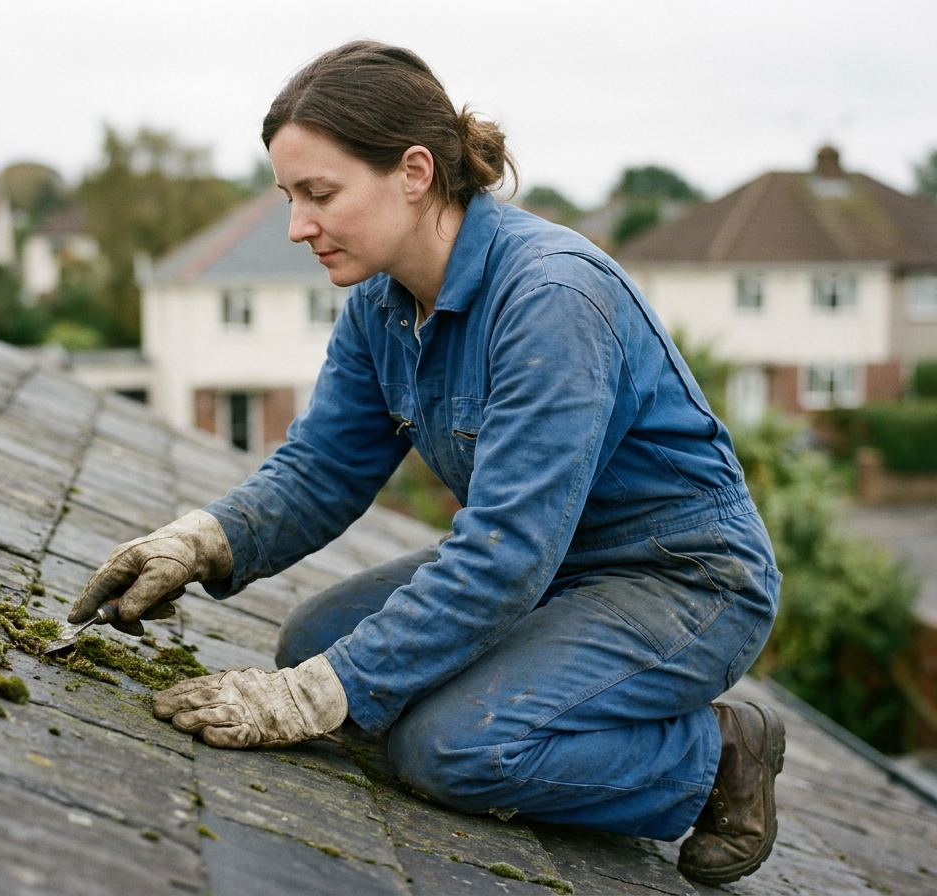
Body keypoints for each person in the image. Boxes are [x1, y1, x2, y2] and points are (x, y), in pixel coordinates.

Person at [68, 40, 784, 886]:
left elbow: (507, 553)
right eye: (290, 197)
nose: (298, 226)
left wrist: (316, 697)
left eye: (320, 194)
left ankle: (717, 754)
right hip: (559, 564)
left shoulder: (551, 299)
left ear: (414, 172)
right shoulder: (381, 304)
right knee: (315, 642)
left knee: (453, 749)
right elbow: (322, 471)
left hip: (681, 581)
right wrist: (199, 543)